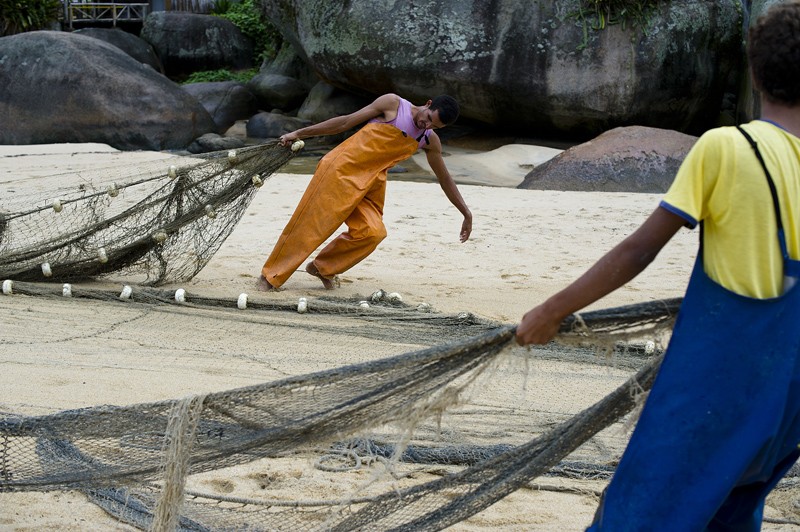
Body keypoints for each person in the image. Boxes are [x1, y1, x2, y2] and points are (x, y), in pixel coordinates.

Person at [516, 2, 800, 530]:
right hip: (787, 400)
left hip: (714, 384)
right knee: (729, 512)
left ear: (756, 72)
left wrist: (552, 311)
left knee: (639, 511)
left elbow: (639, 250)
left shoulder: (730, 147)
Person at [257, 93, 472, 290]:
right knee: (310, 226)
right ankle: (269, 276)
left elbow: (444, 178)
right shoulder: (393, 104)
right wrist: (298, 133)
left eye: (435, 125)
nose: (427, 125)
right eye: (428, 118)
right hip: (340, 170)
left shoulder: (428, 139)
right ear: (428, 104)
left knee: (372, 233)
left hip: (370, 185)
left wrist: (466, 213)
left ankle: (322, 268)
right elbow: (344, 122)